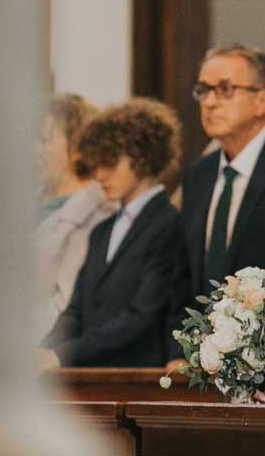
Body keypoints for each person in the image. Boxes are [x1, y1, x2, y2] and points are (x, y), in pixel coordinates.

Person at [47, 99, 190, 368]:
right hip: (90, 375)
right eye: (96, 163)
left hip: (137, 377)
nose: (99, 175)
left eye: (110, 162)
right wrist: (42, 349)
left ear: (142, 157)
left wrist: (61, 354)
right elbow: (75, 311)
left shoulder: (170, 225)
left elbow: (142, 316)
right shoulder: (102, 231)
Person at [180, 43, 265, 303]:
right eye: (204, 90)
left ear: (262, 101)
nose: (209, 102)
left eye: (225, 90)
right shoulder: (198, 174)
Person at [32, 93, 114, 351]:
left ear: (78, 148)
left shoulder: (97, 214)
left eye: (44, 139)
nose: (34, 148)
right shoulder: (29, 200)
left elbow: (65, 304)